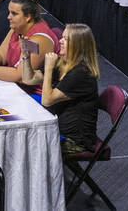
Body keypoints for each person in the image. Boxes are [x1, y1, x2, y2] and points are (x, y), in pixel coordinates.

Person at [23, 23, 100, 154]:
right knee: (24, 105)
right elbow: (28, 79)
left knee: (24, 140)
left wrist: (48, 68)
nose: (60, 41)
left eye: (66, 39)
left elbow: (47, 100)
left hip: (73, 140)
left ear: (77, 45)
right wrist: (26, 55)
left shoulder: (81, 73)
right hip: (55, 125)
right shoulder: (62, 63)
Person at [0, 0, 57, 94]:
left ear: (28, 17)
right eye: (9, 12)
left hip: (33, 94)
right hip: (13, 84)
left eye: (14, 14)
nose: (8, 17)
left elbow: (20, 75)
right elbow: (1, 54)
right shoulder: (17, 28)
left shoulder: (38, 40)